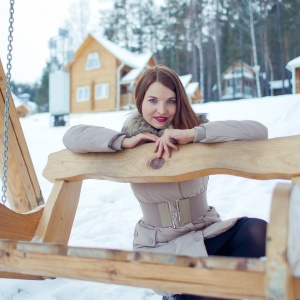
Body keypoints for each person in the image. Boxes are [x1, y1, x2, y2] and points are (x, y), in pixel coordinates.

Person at [63, 65, 268, 300]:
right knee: (206, 290)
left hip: (207, 232)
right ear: (139, 101)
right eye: (153, 100)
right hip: (161, 245)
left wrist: (194, 134)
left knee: (256, 231)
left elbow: (258, 131)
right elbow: (72, 136)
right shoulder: (131, 139)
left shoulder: (197, 132)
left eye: (170, 101)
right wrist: (123, 142)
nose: (162, 110)